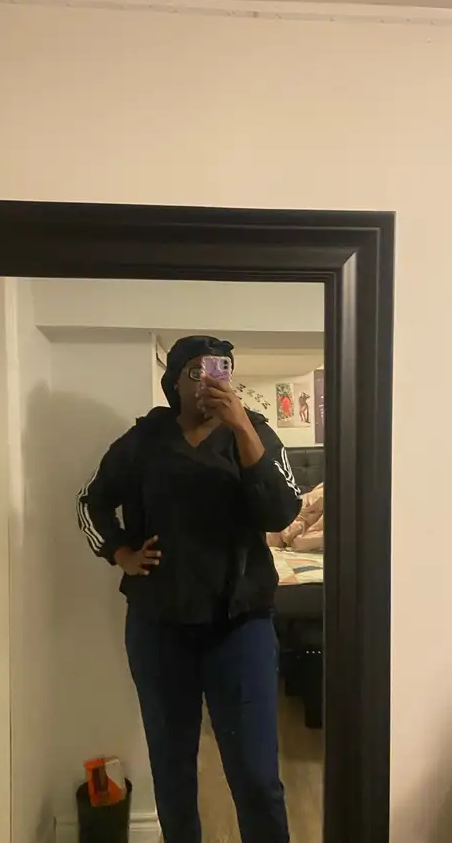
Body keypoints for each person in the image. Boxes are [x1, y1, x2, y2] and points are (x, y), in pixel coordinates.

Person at [76, 335, 301, 843]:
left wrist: (241, 427)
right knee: (172, 771)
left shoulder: (254, 431)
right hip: (159, 629)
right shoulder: (143, 441)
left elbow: (282, 511)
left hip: (241, 627)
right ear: (174, 381)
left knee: (257, 778)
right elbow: (90, 501)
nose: (207, 382)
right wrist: (119, 552)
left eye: (218, 370)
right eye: (194, 372)